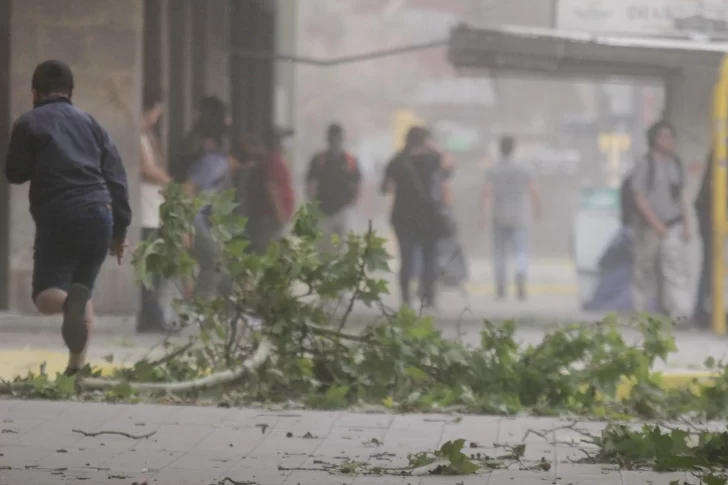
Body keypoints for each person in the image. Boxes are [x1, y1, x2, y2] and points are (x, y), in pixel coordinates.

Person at [4, 60, 131, 375]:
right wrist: (120, 230)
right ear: (71, 92)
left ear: (34, 92)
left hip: (60, 212)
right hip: (100, 212)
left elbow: (14, 173)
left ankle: (67, 307)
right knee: (82, 288)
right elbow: (116, 176)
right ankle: (77, 369)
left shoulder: (29, 123)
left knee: (46, 295)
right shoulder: (91, 123)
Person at [381, 126, 450, 309]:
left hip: (403, 217)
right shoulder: (433, 159)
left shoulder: (397, 161)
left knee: (406, 259)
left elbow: (385, 188)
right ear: (425, 141)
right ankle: (429, 297)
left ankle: (405, 299)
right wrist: (435, 147)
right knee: (429, 257)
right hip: (428, 217)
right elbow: (450, 169)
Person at [630, 120, 690, 319]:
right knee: (644, 271)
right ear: (654, 140)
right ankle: (641, 313)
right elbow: (639, 197)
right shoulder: (646, 164)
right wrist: (656, 224)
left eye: (671, 136)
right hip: (649, 228)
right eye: (665, 136)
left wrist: (686, 224)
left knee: (675, 270)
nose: (669, 141)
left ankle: (679, 313)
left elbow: (679, 196)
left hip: (672, 224)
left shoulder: (675, 165)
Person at [183, 123, 245, 298]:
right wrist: (184, 225)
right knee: (214, 259)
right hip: (191, 218)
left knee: (220, 260)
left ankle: (205, 303)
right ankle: (200, 306)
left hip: (197, 219)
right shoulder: (217, 165)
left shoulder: (221, 168)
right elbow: (188, 188)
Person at [481, 135, 540, 300]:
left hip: (499, 215)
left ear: (500, 149)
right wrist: (537, 209)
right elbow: (533, 190)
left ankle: (501, 287)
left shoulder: (493, 169)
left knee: (499, 252)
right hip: (520, 215)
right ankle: (520, 273)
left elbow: (487, 193)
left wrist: (483, 215)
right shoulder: (524, 168)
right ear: (514, 148)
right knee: (521, 249)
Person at [138, 86, 173, 333]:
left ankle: (154, 314)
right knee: (150, 265)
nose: (156, 118)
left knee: (157, 265)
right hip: (146, 208)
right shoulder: (139, 137)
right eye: (155, 112)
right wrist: (169, 182)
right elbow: (146, 168)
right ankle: (150, 315)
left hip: (155, 207)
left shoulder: (148, 136)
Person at [306, 123, 361, 252]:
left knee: (342, 248)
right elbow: (311, 183)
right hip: (322, 210)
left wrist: (353, 203)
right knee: (323, 249)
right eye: (333, 137)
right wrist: (313, 204)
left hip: (343, 209)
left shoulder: (350, 160)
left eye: (338, 137)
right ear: (328, 138)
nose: (335, 141)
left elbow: (357, 183)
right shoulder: (319, 159)